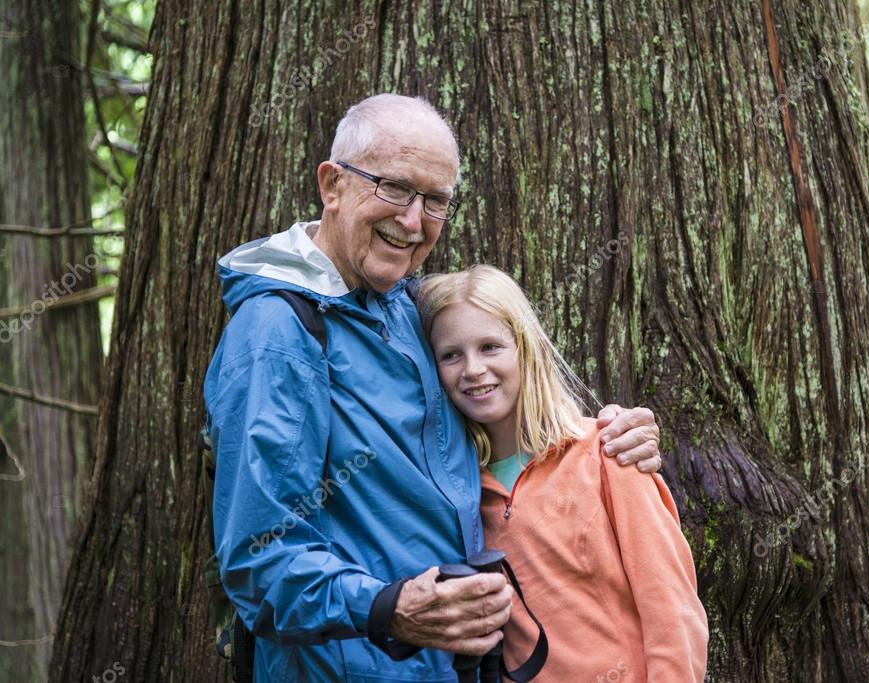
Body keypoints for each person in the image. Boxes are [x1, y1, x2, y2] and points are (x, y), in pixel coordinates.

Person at [203, 93, 664, 682]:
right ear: (332, 185)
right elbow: (257, 559)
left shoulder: (410, 308)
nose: (413, 221)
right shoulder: (277, 335)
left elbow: (501, 407)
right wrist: (388, 610)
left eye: (436, 201)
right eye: (394, 188)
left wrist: (612, 438)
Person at [417, 264, 709, 682]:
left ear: (526, 348)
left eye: (490, 347)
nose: (473, 369)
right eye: (451, 355)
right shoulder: (458, 492)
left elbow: (672, 613)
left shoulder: (609, 454)